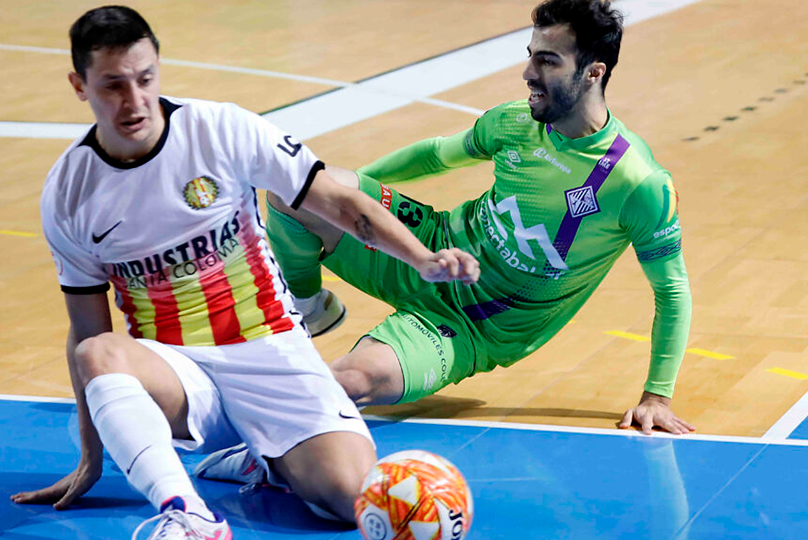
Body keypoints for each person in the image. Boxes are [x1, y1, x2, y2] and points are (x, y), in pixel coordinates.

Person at [9, 6, 479, 540]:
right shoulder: (69, 193)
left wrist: (422, 257)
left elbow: (339, 202)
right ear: (80, 85)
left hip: (270, 353)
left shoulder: (221, 130)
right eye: (113, 85)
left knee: (350, 498)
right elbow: (89, 330)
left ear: (158, 68)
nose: (135, 101)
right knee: (96, 352)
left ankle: (263, 459)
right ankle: (187, 513)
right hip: (180, 377)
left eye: (145, 79)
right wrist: (89, 460)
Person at [261, 0, 695, 436]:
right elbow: (435, 156)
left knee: (352, 379)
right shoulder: (514, 122)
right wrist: (349, 190)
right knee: (297, 185)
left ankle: (240, 422)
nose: (528, 72)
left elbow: (671, 289)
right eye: (530, 55)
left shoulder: (638, 182)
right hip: (429, 245)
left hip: (472, 325)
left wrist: (657, 396)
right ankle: (309, 307)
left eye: (547, 60)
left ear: (593, 73)